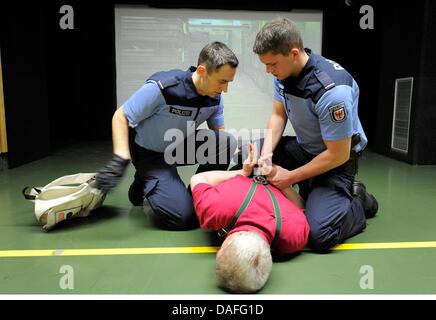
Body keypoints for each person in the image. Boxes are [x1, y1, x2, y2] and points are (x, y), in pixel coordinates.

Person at [251, 17, 378, 252]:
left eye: (272, 64)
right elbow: (279, 114)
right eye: (265, 64)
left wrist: (290, 178)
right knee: (252, 154)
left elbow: (337, 155)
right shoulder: (284, 73)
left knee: (319, 236)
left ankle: (359, 200)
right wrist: (267, 154)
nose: (268, 70)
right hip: (306, 149)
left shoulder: (331, 91)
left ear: (294, 53)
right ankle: (307, 194)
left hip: (336, 162)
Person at [96, 42, 239, 230]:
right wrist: (120, 158)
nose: (225, 89)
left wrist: (242, 157)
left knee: (226, 143)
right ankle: (145, 177)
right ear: (203, 70)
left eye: (228, 82)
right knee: (183, 218)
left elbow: (219, 134)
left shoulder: (215, 97)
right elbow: (121, 116)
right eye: (222, 81)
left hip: (178, 146)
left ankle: (195, 197)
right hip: (151, 153)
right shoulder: (163, 88)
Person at [190, 144, 309, 293]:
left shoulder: (294, 236)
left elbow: (299, 206)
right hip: (276, 170)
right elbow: (199, 178)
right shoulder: (214, 210)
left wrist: (244, 172)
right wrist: (277, 177)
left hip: (270, 170)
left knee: (255, 149)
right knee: (254, 148)